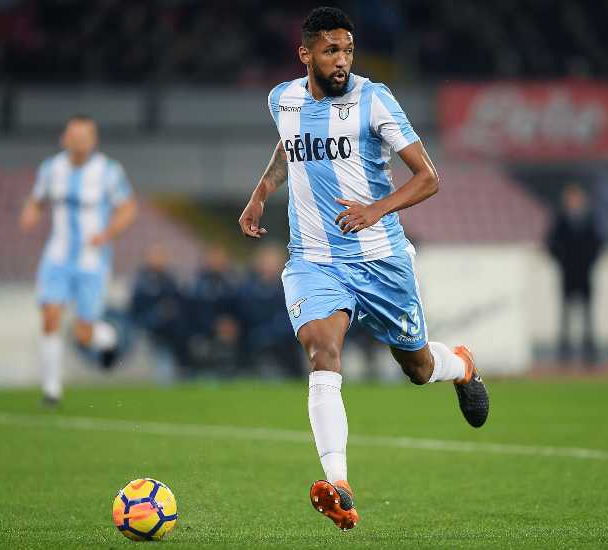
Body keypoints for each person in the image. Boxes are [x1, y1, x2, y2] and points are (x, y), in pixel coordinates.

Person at [237, 7, 488, 531]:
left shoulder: (374, 99)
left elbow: (428, 177)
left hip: (380, 260)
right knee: (321, 351)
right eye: (331, 51)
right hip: (313, 261)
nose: (342, 61)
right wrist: (261, 193)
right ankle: (341, 485)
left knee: (417, 368)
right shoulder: (280, 98)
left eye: (348, 51)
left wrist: (375, 209)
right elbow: (289, 147)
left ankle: (459, 363)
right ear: (306, 54)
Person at [19, 114, 138, 405]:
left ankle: (106, 339)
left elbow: (128, 208)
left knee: (83, 334)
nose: (80, 142)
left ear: (93, 140)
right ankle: (51, 391)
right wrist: (31, 212)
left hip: (92, 261)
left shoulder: (109, 171)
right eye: (75, 136)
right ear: (65, 138)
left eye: (86, 137)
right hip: (57, 257)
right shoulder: (51, 169)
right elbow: (37, 199)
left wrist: (107, 232)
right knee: (49, 316)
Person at [546, 183, 604, 366]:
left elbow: (599, 243)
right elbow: (550, 244)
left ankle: (589, 353)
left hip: (585, 273)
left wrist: (589, 261)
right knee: (566, 315)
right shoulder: (561, 220)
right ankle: (565, 354)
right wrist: (562, 261)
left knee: (587, 316)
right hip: (568, 273)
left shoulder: (589, 219)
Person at [237, 242, 304, 378]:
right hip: (252, 338)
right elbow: (242, 315)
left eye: (272, 262)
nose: (269, 267)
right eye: (266, 262)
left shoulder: (292, 288)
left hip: (285, 342)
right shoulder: (246, 290)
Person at [129, 243, 184, 384]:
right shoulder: (142, 281)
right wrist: (156, 315)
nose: (158, 259)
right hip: (148, 330)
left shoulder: (170, 279)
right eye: (155, 256)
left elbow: (178, 302)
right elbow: (136, 308)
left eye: (160, 256)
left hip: (169, 331)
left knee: (166, 360)